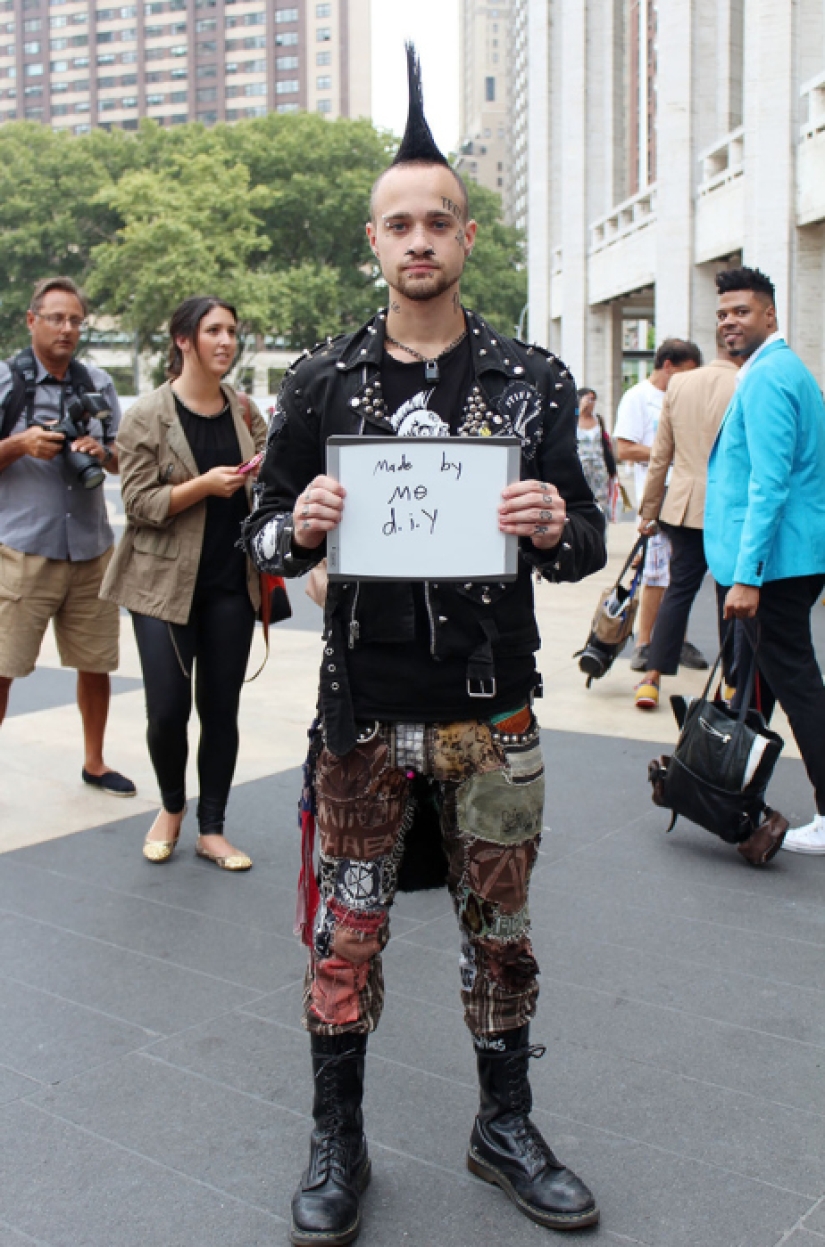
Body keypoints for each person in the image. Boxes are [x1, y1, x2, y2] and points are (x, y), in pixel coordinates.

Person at [245, 46, 605, 1246]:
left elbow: (587, 538)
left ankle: (505, 1124)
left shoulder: (534, 381)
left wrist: (553, 524)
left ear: (466, 238)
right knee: (345, 934)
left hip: (492, 714)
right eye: (399, 223)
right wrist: (295, 525)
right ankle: (336, 1136)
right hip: (361, 712)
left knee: (500, 929)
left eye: (438, 221)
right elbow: (260, 530)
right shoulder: (321, 383)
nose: (419, 241)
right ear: (373, 241)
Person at [100, 296, 267, 869]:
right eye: (213, 330)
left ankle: (212, 829)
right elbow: (139, 503)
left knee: (221, 710)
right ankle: (171, 807)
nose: (226, 341)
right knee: (167, 712)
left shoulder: (243, 410)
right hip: (160, 586)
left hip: (230, 584)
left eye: (232, 331)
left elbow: (273, 475)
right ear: (183, 339)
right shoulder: (147, 414)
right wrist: (203, 486)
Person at [704, 266, 825, 855]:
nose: (729, 322)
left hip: (774, 567)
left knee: (797, 686)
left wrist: (747, 576)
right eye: (723, 313)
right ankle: (730, 795)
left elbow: (770, 484)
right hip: (784, 559)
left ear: (769, 315)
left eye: (742, 312)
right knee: (753, 686)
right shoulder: (775, 370)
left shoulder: (771, 377)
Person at [0, 276, 135, 796]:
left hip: (90, 548)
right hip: (22, 548)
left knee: (95, 662)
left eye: (76, 320)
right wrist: (20, 444)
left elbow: (124, 459)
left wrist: (102, 453)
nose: (67, 328)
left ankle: (94, 762)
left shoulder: (96, 382)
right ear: (31, 320)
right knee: (4, 666)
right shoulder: (7, 380)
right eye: (56, 318)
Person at [633, 336, 741, 709]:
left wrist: (649, 511)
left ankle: (651, 678)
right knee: (730, 594)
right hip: (730, 505)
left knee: (678, 589)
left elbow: (661, 455)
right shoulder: (746, 382)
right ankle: (732, 681)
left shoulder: (679, 384)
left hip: (684, 503)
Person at [613, 339, 705, 679]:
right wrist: (668, 451)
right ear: (668, 365)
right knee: (655, 575)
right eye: (685, 373)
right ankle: (645, 642)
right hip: (656, 496)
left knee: (682, 575)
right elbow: (625, 449)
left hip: (685, 496)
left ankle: (677, 641)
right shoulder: (638, 397)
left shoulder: (686, 396)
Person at [575, 386, 617, 516]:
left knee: (600, 503)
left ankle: (600, 525)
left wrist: (612, 469)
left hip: (599, 469)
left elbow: (604, 444)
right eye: (588, 399)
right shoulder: (573, 419)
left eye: (593, 399)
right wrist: (579, 410)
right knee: (580, 500)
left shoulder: (598, 419)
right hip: (581, 467)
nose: (591, 403)